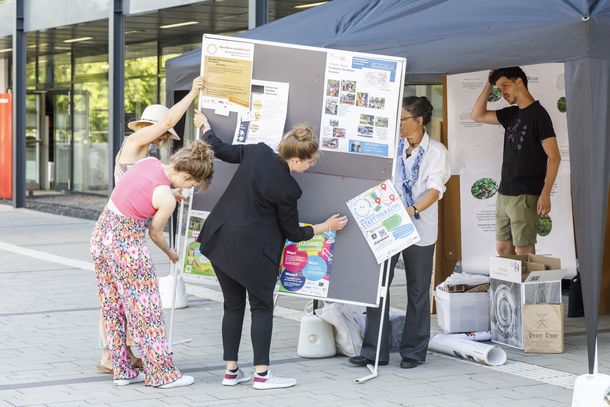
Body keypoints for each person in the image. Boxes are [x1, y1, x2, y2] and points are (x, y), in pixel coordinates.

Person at [193, 110, 347, 390]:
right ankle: (262, 375)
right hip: (254, 255)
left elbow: (221, 150)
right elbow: (293, 233)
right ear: (296, 159)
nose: (310, 167)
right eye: (310, 162)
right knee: (261, 308)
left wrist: (205, 126)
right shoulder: (288, 188)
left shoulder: (258, 152)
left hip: (221, 240)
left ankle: (231, 372)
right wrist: (325, 226)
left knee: (233, 306)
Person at [96, 77, 205, 374]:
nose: (162, 139)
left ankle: (120, 356)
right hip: (122, 232)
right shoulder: (134, 145)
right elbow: (170, 118)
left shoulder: (143, 155)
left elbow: (146, 191)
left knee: (118, 296)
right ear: (147, 128)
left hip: (119, 232)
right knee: (130, 298)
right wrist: (193, 93)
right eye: (161, 133)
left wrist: (168, 194)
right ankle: (113, 355)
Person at [90, 137, 214, 388]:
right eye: (192, 185)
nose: (189, 189)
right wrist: (170, 252)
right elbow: (155, 232)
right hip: (127, 246)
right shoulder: (166, 199)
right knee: (146, 309)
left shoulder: (148, 162)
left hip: (101, 236)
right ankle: (162, 374)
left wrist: (170, 192)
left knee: (113, 306)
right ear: (188, 176)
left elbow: (138, 190)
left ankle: (122, 369)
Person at [349, 96, 450, 369]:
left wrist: (412, 211)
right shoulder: (394, 147)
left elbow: (435, 190)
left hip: (419, 226)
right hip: (389, 224)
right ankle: (373, 351)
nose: (399, 125)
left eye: (403, 119)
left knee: (417, 290)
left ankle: (413, 352)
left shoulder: (436, 152)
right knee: (378, 286)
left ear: (420, 120)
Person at [471, 67, 561, 255]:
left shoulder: (539, 115)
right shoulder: (510, 114)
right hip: (504, 192)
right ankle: (510, 286)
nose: (502, 92)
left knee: (524, 251)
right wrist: (490, 82)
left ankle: (528, 286)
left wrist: (546, 193)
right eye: (499, 88)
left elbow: (554, 157)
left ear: (519, 82)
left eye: (505, 85)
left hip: (526, 195)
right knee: (503, 248)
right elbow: (477, 115)